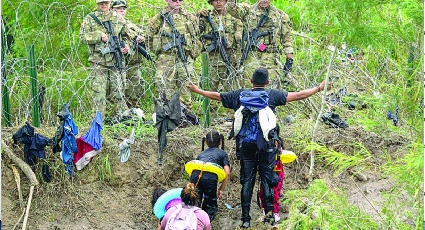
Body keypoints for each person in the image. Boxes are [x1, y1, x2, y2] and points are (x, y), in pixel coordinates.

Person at [186, 67, 331, 228]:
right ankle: (269, 217)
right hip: (266, 148)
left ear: (251, 81)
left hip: (246, 147)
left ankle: (245, 220)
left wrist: (197, 90)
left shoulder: (240, 95)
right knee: (266, 181)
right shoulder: (272, 95)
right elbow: (298, 95)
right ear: (267, 82)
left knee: (247, 183)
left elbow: (217, 96)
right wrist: (319, 88)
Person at [79, 0, 131, 119]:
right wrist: (98, 35)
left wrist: (127, 47)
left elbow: (126, 36)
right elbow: (82, 37)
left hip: (115, 61)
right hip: (98, 62)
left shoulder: (118, 18)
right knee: (99, 94)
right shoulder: (90, 18)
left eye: (106, 2)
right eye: (101, 3)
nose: (103, 5)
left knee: (118, 93)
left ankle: (120, 120)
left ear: (110, 2)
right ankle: (97, 122)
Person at [226, 0, 294, 88]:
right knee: (249, 87)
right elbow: (231, 9)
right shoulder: (248, 11)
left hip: (270, 58)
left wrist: (289, 60)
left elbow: (287, 39)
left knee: (270, 88)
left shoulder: (280, 15)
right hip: (251, 57)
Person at [146, 0, 202, 106]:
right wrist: (160, 52)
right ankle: (167, 115)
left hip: (184, 56)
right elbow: (148, 38)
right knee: (164, 87)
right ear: (167, 1)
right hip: (166, 58)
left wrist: (192, 55)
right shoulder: (159, 18)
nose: (177, 2)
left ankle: (185, 115)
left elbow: (196, 37)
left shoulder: (189, 17)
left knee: (186, 87)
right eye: (174, 0)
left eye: (180, 0)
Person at [110, 0, 150, 108]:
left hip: (134, 63)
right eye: (119, 9)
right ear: (112, 10)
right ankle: (119, 114)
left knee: (134, 90)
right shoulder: (111, 25)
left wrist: (142, 38)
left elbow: (142, 35)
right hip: (118, 64)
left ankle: (133, 112)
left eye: (124, 9)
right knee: (118, 91)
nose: (122, 11)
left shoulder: (130, 25)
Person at [198, 0, 243, 92]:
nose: (219, 3)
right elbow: (194, 31)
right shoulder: (206, 17)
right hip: (211, 61)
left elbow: (239, 43)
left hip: (228, 60)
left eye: (221, 0)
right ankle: (212, 107)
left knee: (232, 93)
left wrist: (238, 61)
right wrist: (197, 15)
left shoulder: (234, 18)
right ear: (211, 2)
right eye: (215, 0)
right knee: (209, 93)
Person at [190, 131, 231, 220]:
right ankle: (205, 223)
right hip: (210, 178)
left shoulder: (201, 154)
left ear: (206, 142)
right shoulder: (222, 153)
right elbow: (227, 172)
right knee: (210, 205)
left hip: (195, 175)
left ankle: (192, 223)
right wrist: (221, 189)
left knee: (195, 202)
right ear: (220, 141)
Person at [258, 124, 284, 222]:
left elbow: (280, 152)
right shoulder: (262, 141)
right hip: (266, 168)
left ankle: (275, 212)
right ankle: (265, 211)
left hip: (276, 169)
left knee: (275, 193)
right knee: (263, 192)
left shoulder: (278, 142)